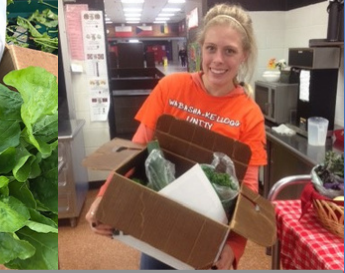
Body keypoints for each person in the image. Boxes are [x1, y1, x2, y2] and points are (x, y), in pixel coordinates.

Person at [85, 3, 265, 270]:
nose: (218, 59)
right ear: (199, 49)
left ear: (244, 56)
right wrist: (105, 197)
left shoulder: (250, 115)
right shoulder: (171, 88)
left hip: (208, 235)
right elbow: (136, 149)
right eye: (211, 48)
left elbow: (248, 188)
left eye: (230, 51)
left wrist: (235, 246)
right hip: (156, 221)